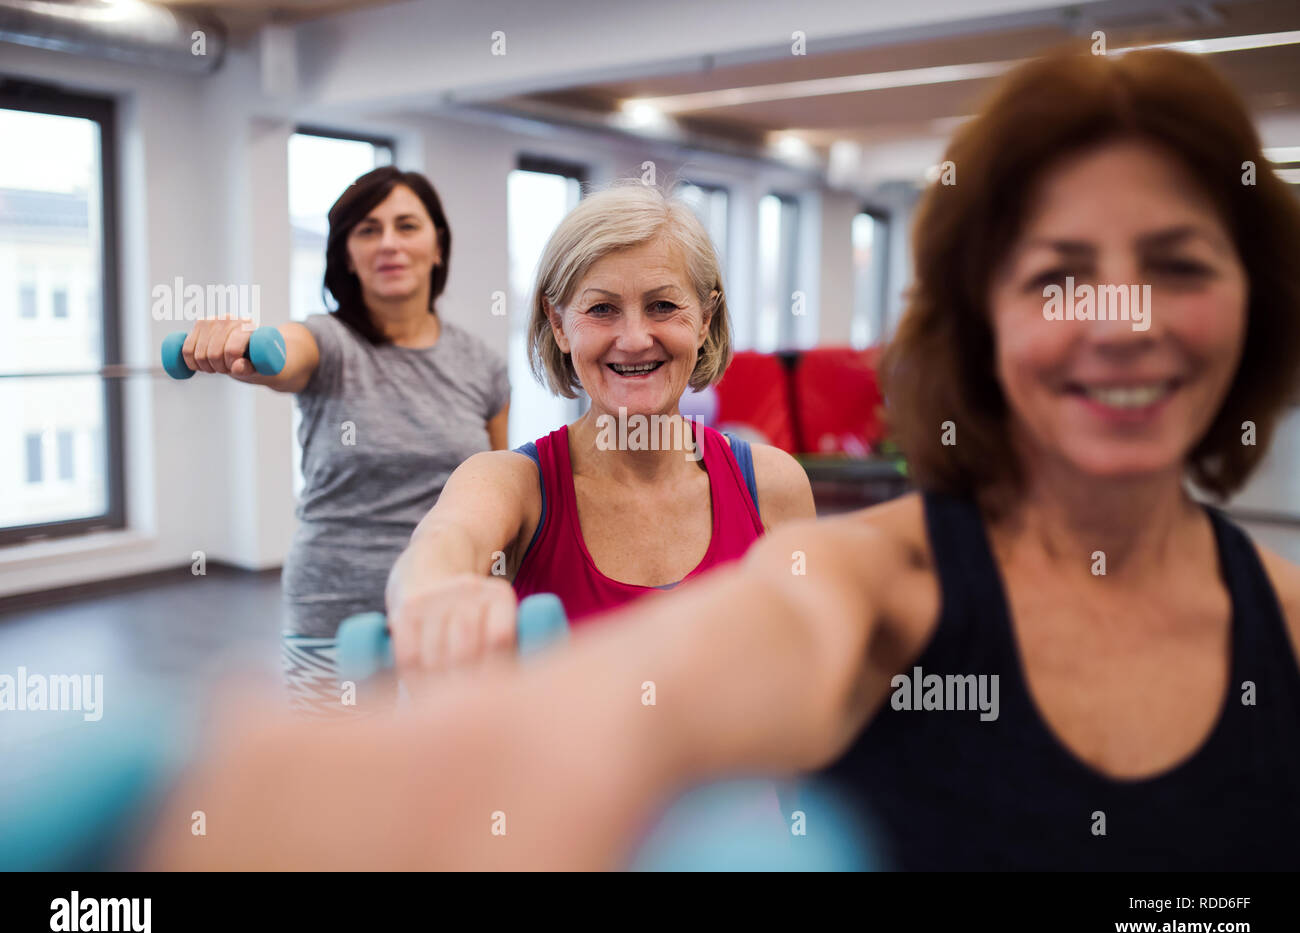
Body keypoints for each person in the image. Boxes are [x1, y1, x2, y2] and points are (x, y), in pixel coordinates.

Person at [138, 45, 1299, 870]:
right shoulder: (887, 572)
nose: (1120, 316)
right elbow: (475, 562)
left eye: (1178, 264)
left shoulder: (771, 482)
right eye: (1057, 276)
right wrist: (444, 637)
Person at [383, 181, 816, 670]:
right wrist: (430, 588)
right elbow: (447, 538)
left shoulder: (774, 484)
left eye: (663, 306)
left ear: (704, 319)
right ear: (560, 324)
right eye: (602, 309)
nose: (633, 340)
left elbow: (810, 668)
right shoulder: (512, 484)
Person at [178, 167, 511, 639]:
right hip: (333, 610)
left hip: (443, 610)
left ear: (438, 246)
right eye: (368, 230)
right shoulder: (327, 342)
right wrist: (244, 347)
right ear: (348, 257)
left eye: (407, 226)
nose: (389, 243)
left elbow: (500, 494)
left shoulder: (484, 366)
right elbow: (284, 354)